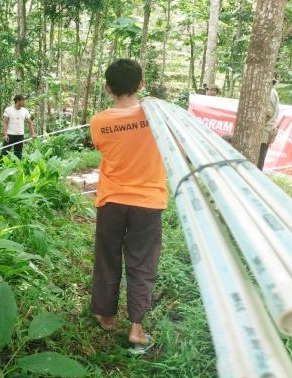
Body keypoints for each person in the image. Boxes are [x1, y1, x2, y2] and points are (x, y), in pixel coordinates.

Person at [89, 59, 167, 354]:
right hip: (148, 202)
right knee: (142, 264)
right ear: (142, 84)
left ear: (108, 88)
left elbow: (102, 147)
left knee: (107, 258)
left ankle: (106, 316)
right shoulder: (157, 116)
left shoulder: (99, 122)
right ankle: (136, 329)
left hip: (112, 200)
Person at [0, 94, 36, 159]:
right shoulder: (8, 110)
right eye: (23, 101)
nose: (24, 102)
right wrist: (5, 134)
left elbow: (30, 123)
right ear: (18, 101)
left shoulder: (25, 110)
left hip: (20, 135)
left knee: (18, 154)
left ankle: (16, 168)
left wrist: (33, 133)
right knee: (4, 153)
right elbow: (4, 123)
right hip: (9, 135)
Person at [258, 79, 280, 170]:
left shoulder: (269, 93)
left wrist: (257, 127)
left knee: (258, 159)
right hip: (266, 130)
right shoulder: (272, 92)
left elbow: (268, 113)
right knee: (260, 158)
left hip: (264, 131)